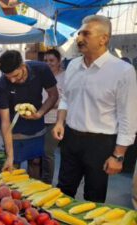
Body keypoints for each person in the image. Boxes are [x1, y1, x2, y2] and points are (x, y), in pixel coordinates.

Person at [52, 15, 137, 202]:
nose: (79, 38)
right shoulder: (73, 66)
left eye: (86, 34)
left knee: (94, 197)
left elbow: (128, 118)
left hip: (101, 144)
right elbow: (66, 98)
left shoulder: (122, 71)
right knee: (63, 191)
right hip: (71, 138)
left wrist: (119, 156)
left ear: (103, 39)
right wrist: (60, 121)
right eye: (79, 33)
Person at [0, 50, 58, 178]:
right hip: (15, 132)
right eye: (8, 77)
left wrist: (40, 113)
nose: (12, 80)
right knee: (12, 166)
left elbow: (53, 95)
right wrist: (9, 156)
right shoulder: (1, 86)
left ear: (23, 66)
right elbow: (5, 122)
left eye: (16, 75)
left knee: (36, 163)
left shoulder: (41, 69)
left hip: (37, 128)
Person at [41, 49, 65, 184]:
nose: (48, 63)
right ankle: (37, 180)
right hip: (39, 118)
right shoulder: (42, 75)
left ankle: (46, 182)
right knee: (38, 152)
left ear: (59, 61)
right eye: (45, 61)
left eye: (51, 61)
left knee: (47, 152)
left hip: (55, 120)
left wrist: (49, 104)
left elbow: (67, 100)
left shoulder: (65, 77)